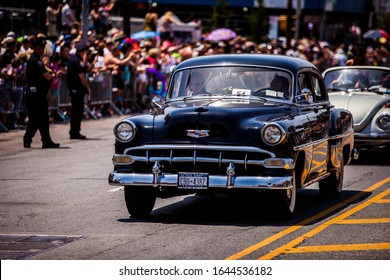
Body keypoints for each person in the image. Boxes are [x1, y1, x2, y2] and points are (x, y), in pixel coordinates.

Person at [23, 36, 60, 149]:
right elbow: (47, 76)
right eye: (39, 48)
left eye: (42, 48)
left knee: (42, 119)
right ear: (34, 48)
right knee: (36, 119)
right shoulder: (36, 61)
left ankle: (45, 140)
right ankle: (28, 139)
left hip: (37, 95)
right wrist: (53, 75)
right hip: (36, 96)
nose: (41, 50)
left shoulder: (35, 60)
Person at [66, 41, 91, 139]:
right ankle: (74, 132)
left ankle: (74, 131)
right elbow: (82, 76)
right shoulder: (76, 61)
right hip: (76, 89)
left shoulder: (75, 59)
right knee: (77, 111)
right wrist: (88, 88)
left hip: (75, 88)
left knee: (76, 110)